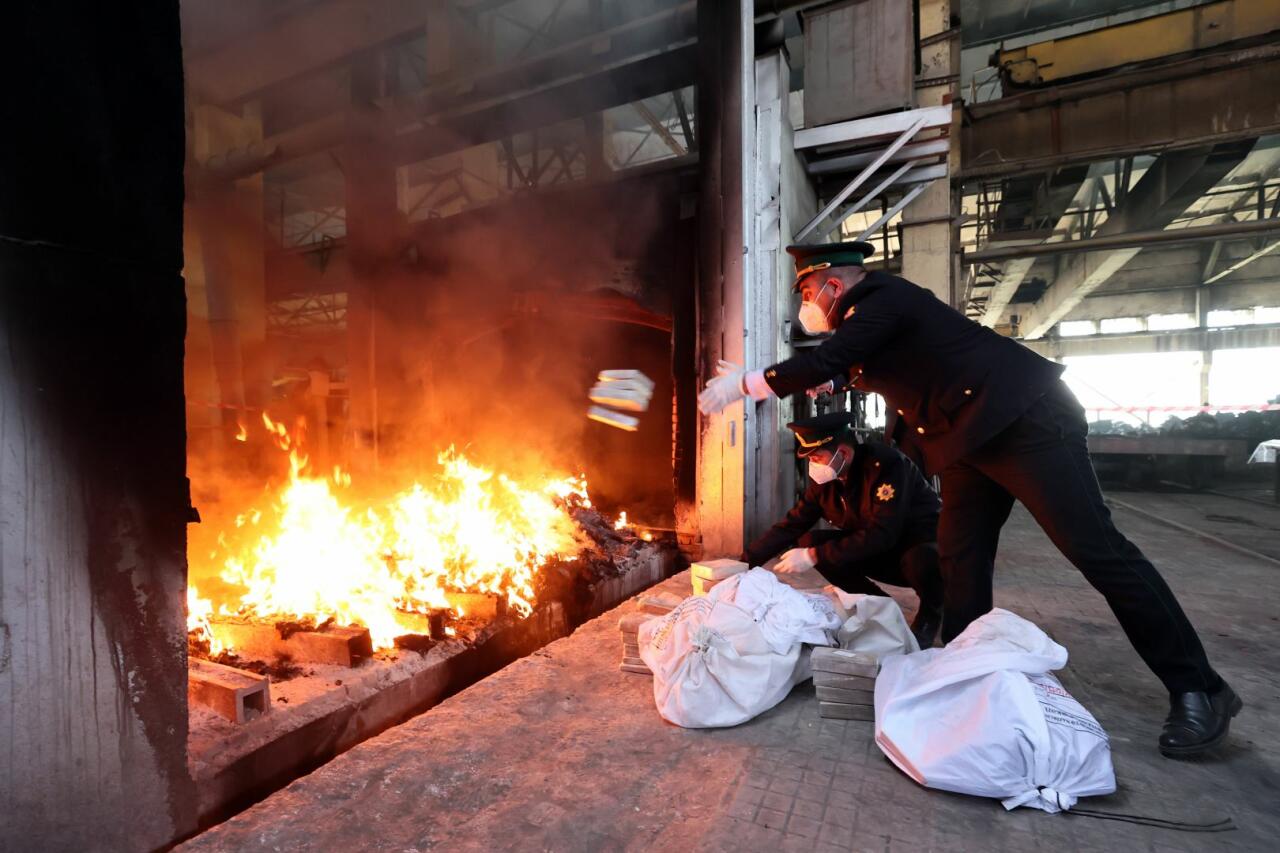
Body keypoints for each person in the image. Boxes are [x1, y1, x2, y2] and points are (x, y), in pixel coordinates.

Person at [698, 240, 1240, 758]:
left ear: (832, 286)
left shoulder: (883, 298)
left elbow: (837, 355)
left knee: (1096, 550)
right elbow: (863, 364)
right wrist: (835, 382)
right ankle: (963, 667)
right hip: (965, 443)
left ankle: (1200, 687)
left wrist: (750, 384)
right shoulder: (872, 321)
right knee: (960, 556)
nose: (804, 305)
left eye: (806, 291)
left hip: (1025, 424)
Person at [742, 412, 944, 649]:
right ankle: (880, 605)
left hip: (918, 548)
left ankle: (931, 614)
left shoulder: (886, 467)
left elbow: (882, 533)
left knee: (922, 559)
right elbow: (792, 524)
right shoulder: (827, 481)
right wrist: (743, 564)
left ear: (844, 453)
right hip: (877, 549)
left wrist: (814, 556)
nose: (813, 465)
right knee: (810, 541)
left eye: (817, 457)